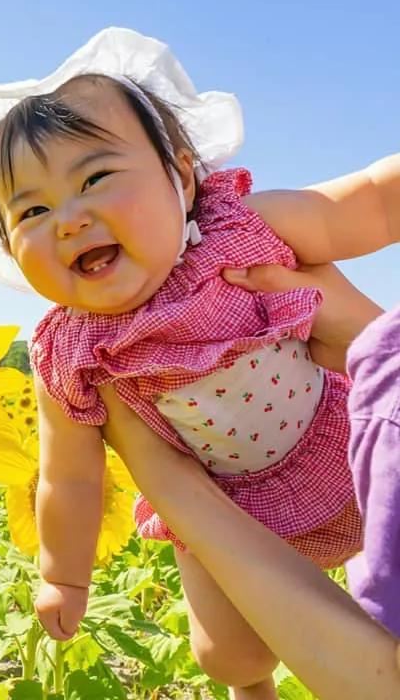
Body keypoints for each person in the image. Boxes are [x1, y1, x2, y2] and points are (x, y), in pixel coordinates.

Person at [0, 27, 399, 699]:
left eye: (96, 177)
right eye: (32, 210)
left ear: (183, 178)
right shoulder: (69, 354)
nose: (68, 219)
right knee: (227, 656)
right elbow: (68, 478)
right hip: (229, 506)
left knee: (383, 584)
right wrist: (62, 575)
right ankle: (252, 690)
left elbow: (358, 203)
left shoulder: (241, 228)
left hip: (345, 445)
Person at [98, 260, 400, 697]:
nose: (73, 222)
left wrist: (166, 483)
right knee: (231, 658)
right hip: (230, 486)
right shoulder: (77, 347)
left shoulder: (231, 237)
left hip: (331, 446)